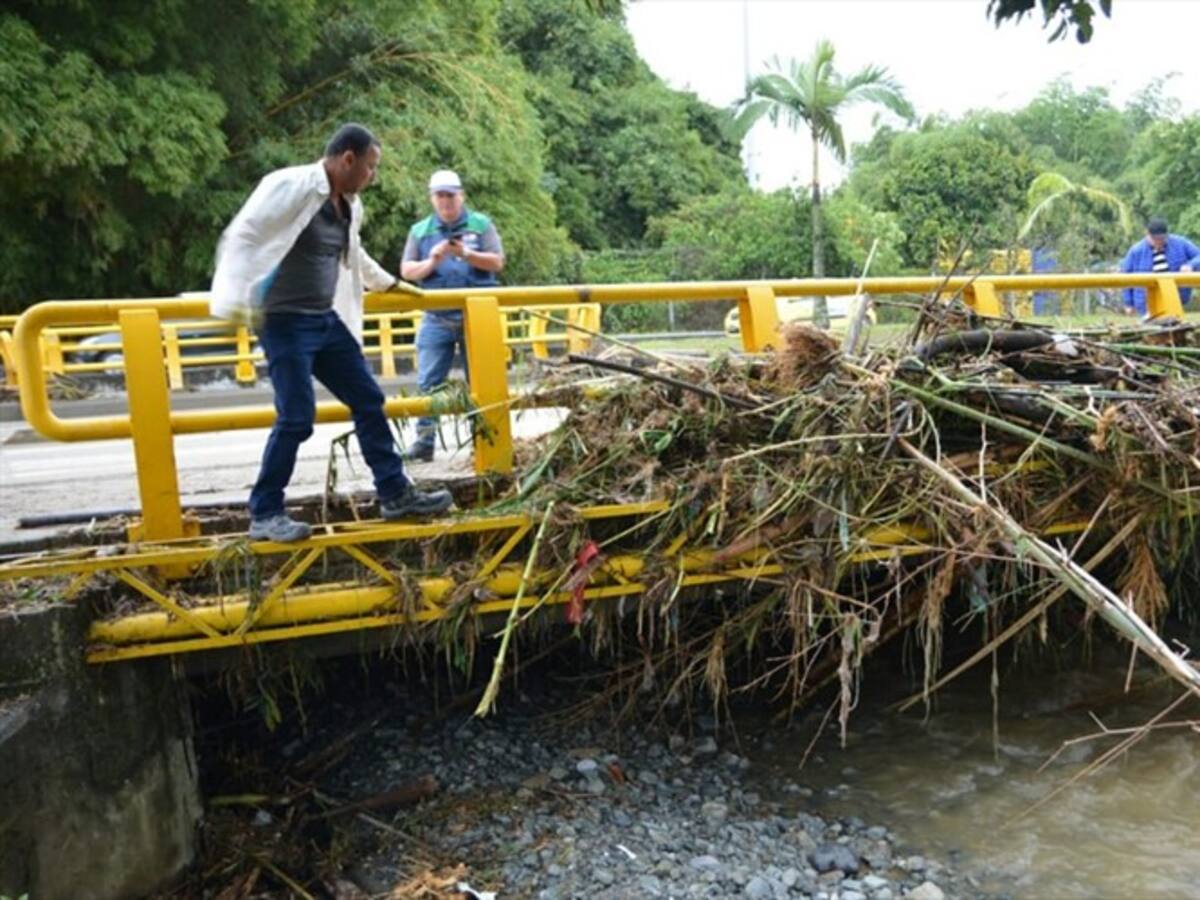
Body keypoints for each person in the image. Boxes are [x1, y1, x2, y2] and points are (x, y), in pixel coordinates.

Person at [211, 123, 453, 543]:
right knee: (296, 417)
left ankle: (395, 493)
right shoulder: (290, 185)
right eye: (370, 167)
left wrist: (390, 285)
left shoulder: (349, 203)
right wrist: (231, 300)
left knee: (368, 399)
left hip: (324, 319)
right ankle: (265, 512)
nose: (372, 176)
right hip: (284, 321)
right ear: (347, 159)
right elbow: (244, 235)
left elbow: (352, 253)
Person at [399, 170, 505, 462]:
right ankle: (424, 441)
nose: (445, 201)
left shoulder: (481, 225)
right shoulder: (420, 230)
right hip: (436, 316)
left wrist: (466, 254)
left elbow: (497, 262)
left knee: (482, 382)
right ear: (432, 198)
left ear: (462, 196)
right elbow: (406, 271)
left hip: (476, 317)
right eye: (440, 195)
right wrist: (434, 259)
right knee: (429, 383)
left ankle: (484, 438)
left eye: (450, 195)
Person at [1118, 216, 1200, 316]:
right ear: (1147, 235)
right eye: (1155, 239)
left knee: (1175, 328)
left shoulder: (1180, 243)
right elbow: (1126, 276)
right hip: (1146, 303)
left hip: (1175, 299)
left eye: (1162, 239)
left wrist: (1190, 265)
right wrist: (1128, 303)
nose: (1158, 242)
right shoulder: (1136, 250)